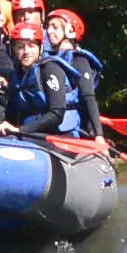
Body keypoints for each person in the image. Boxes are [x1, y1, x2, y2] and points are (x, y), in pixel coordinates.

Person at [0, 21, 88, 138]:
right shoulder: (16, 75)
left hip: (62, 135)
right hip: (34, 134)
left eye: (31, 46)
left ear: (40, 48)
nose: (26, 51)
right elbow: (12, 114)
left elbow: (57, 114)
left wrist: (21, 130)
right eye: (20, 46)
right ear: (13, 50)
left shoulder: (50, 69)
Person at [44, 8, 107, 150]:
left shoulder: (79, 60)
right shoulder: (47, 60)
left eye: (55, 27)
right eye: (48, 27)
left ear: (69, 30)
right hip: (49, 125)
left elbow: (88, 97)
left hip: (69, 128)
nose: (49, 31)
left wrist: (99, 135)